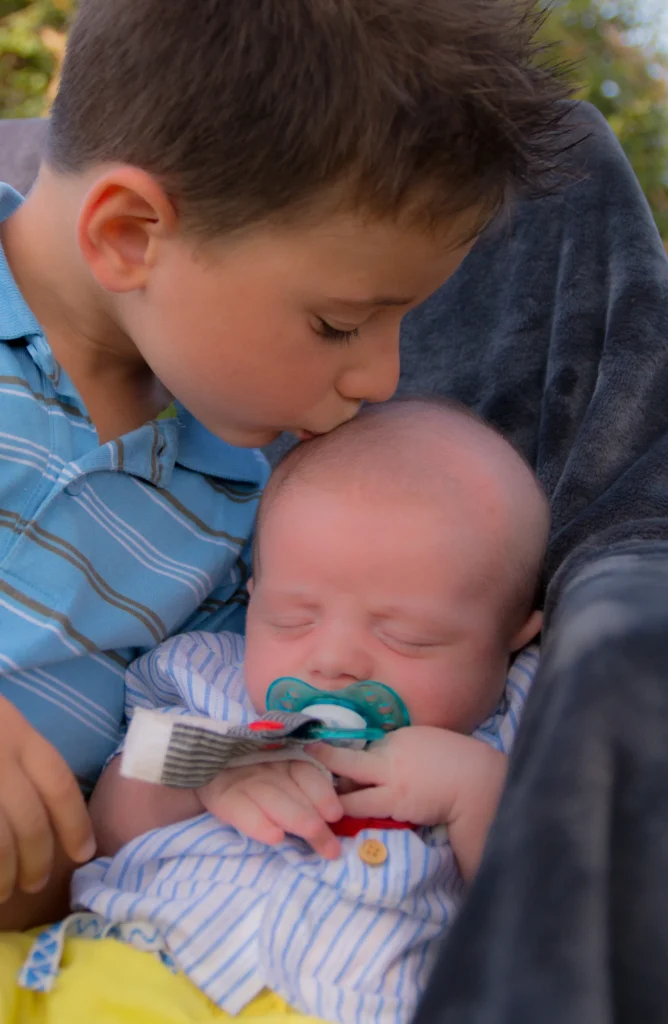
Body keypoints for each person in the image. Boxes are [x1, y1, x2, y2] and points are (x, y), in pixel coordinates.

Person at [0, 0, 571, 930]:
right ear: (131, 235)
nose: (382, 375)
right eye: (339, 323)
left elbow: (162, 778)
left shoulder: (253, 506)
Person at [14, 398, 548, 1024]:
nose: (333, 661)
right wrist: (207, 772)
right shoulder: (207, 679)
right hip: (124, 968)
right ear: (254, 596)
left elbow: (549, 919)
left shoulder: (518, 724)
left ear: (513, 636)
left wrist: (476, 794)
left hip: (342, 1005)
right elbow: (105, 830)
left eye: (407, 637)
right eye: (293, 618)